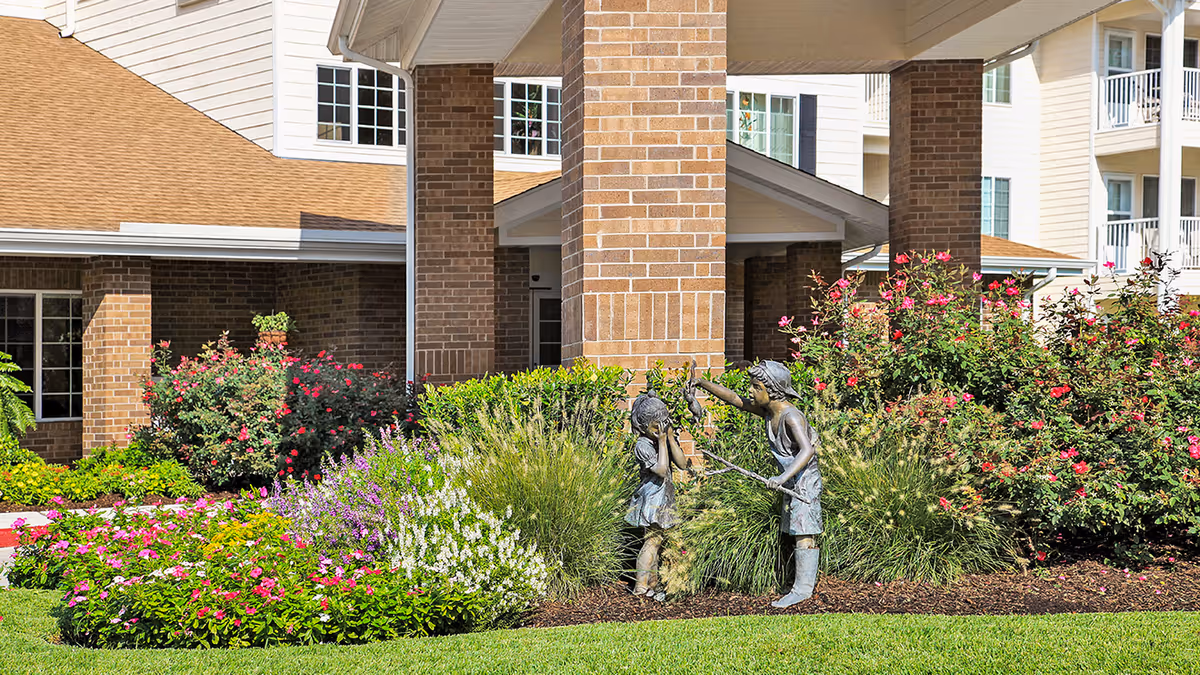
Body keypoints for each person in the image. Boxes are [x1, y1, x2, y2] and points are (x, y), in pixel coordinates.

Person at [690, 360, 822, 608]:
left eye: (755, 386)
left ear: (771, 390)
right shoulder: (770, 412)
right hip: (791, 478)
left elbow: (807, 452)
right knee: (793, 528)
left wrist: (781, 478)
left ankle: (802, 589)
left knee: (804, 530)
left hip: (805, 480)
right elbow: (736, 400)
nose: (751, 391)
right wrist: (703, 383)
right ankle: (794, 582)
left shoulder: (791, 417)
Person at [626, 393, 690, 601]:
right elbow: (662, 470)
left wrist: (670, 438)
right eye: (656, 427)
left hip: (664, 498)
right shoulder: (643, 445)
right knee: (652, 541)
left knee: (658, 541)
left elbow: (681, 464)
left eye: (663, 424)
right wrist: (662, 442)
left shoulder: (662, 439)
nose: (660, 430)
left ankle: (653, 583)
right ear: (644, 426)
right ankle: (640, 587)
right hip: (652, 498)